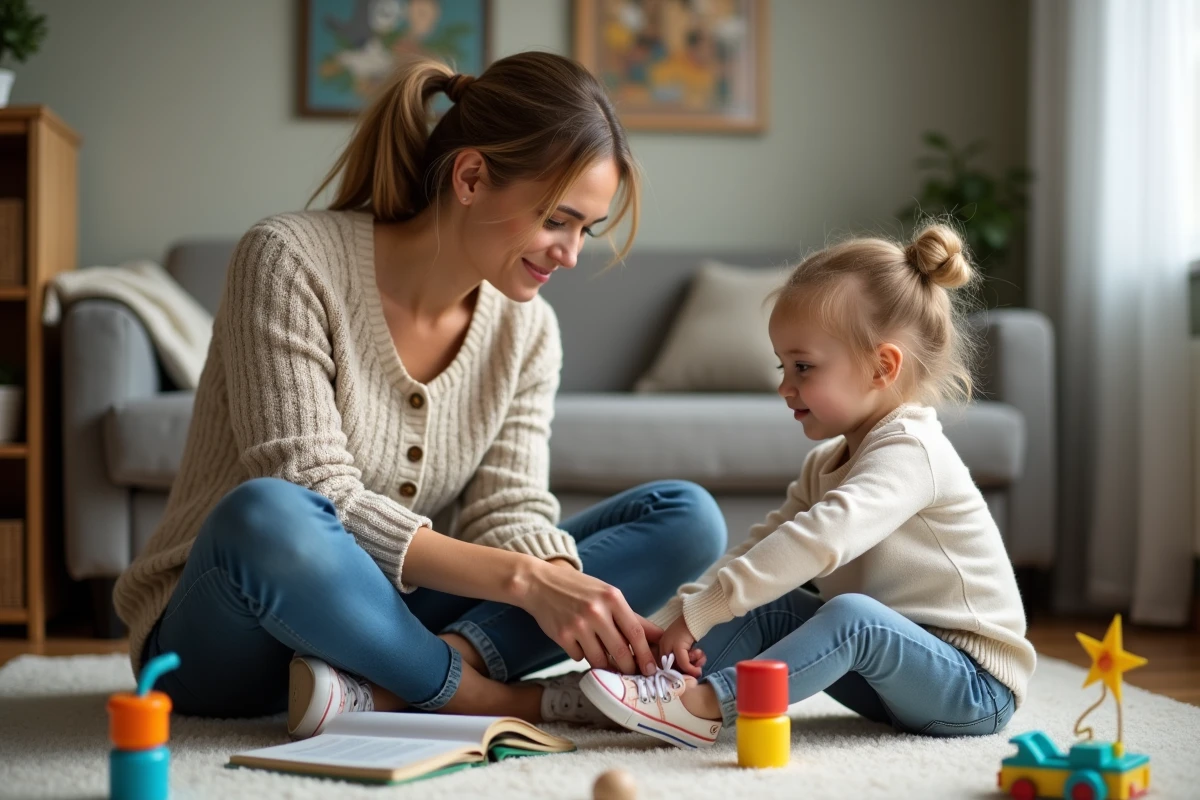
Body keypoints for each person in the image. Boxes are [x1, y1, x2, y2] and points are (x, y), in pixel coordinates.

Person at [112, 51, 727, 738]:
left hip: (389, 619)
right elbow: (318, 493)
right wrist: (529, 585)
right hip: (228, 638)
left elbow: (510, 507)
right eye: (558, 219)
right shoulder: (288, 258)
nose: (571, 254)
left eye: (587, 228)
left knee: (687, 517)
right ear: (470, 177)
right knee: (268, 512)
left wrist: (571, 594)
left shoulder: (528, 330)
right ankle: (484, 697)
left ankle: (393, 685)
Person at [580, 224, 1036, 748]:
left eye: (803, 367)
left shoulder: (913, 451)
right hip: (885, 682)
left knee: (853, 617)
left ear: (881, 367)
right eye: (782, 365)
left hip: (972, 687)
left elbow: (819, 539)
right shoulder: (825, 462)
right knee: (771, 600)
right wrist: (669, 625)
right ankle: (649, 685)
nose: (784, 386)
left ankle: (703, 707)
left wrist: (701, 614)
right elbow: (758, 550)